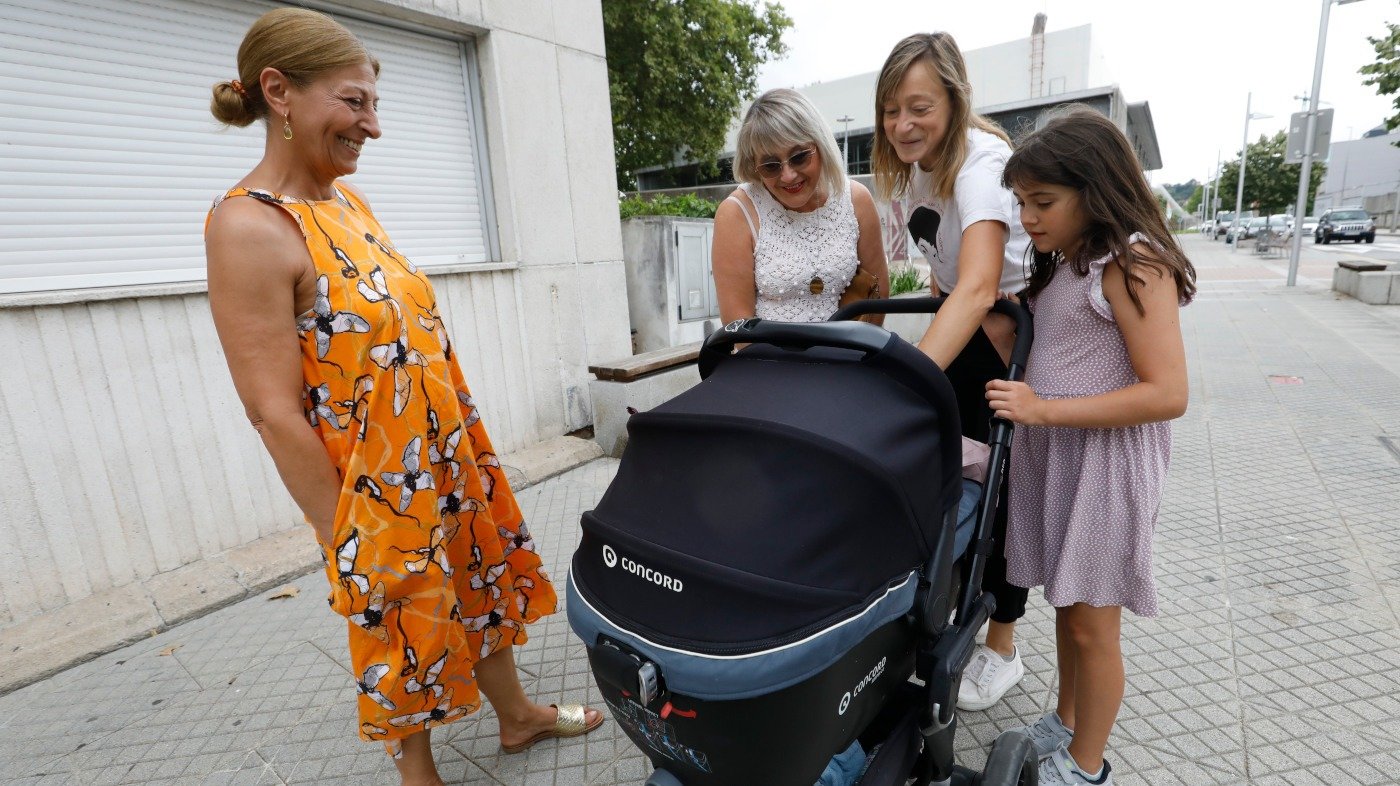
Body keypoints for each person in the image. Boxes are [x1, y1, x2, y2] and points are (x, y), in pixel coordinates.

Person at [202, 9, 600, 785]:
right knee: (398, 620)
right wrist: (345, 535)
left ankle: (515, 718)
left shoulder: (345, 202)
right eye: (355, 103)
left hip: (443, 452)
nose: (372, 128)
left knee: (478, 577)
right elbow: (271, 408)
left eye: (374, 106)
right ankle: (420, 777)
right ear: (279, 92)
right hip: (373, 486)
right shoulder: (245, 226)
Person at [987, 107, 1196, 785]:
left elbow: (1168, 392)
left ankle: (1085, 766)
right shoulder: (1066, 265)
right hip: (1062, 459)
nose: (1028, 218)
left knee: (1092, 628)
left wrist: (1045, 409)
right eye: (1021, 203)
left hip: (1105, 466)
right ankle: (1067, 719)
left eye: (1043, 201)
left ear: (1096, 188)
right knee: (1067, 608)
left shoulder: (1133, 262)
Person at [871, 32, 1031, 711]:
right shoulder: (914, 169)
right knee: (952, 486)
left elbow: (980, 284)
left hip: (1015, 344)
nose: (902, 125)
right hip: (969, 332)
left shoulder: (982, 161)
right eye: (891, 109)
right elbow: (946, 275)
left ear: (955, 101)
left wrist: (903, 373)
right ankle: (947, 619)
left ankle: (1003, 647)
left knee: (1003, 495)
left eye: (919, 108)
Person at [713, 88, 888, 325]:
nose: (788, 175)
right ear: (753, 165)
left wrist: (855, 359)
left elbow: (877, 298)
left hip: (846, 356)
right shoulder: (737, 213)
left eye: (799, 157)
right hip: (767, 359)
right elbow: (739, 327)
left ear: (820, 146)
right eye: (771, 166)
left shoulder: (857, 200)